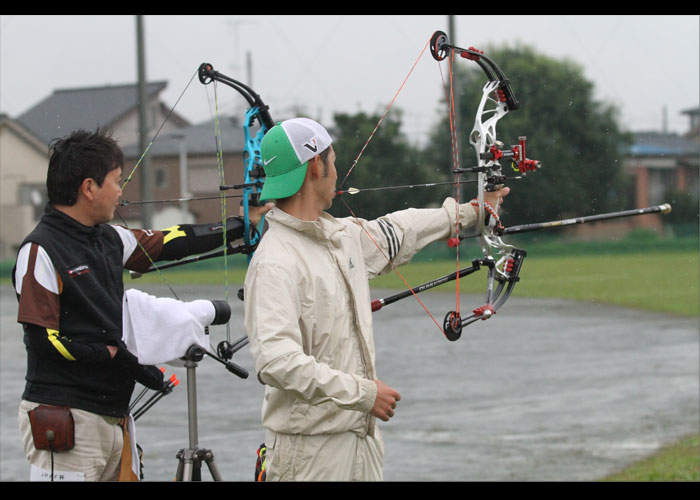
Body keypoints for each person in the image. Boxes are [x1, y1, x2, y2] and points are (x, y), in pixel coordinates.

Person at [244, 117, 509, 481]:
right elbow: (276, 361)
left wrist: (472, 213)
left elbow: (399, 230)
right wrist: (362, 393)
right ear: (315, 166)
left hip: (359, 441)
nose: (336, 172)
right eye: (332, 161)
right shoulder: (275, 261)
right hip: (308, 455)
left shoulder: (340, 237)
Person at [12, 128, 270, 481]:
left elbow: (173, 241)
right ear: (89, 188)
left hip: (114, 416)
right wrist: (120, 359)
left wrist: (241, 225)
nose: (121, 192)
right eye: (116, 182)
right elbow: (45, 340)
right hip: (66, 420)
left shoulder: (109, 237)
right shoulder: (39, 250)